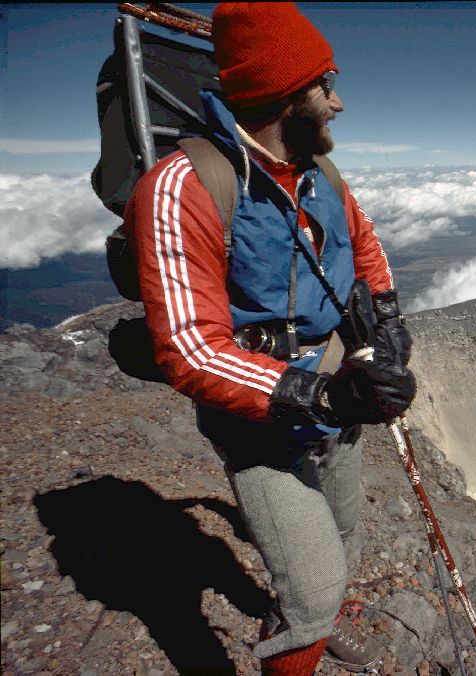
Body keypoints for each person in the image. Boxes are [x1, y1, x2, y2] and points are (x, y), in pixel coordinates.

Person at [123, 3, 416, 673]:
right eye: (326, 84)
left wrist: (388, 329)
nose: (338, 103)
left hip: (334, 388)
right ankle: (306, 624)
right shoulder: (181, 188)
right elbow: (190, 347)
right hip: (258, 415)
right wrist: (322, 396)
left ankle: (319, 613)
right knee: (313, 587)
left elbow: (364, 253)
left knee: (344, 531)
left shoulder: (321, 176)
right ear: (285, 95)